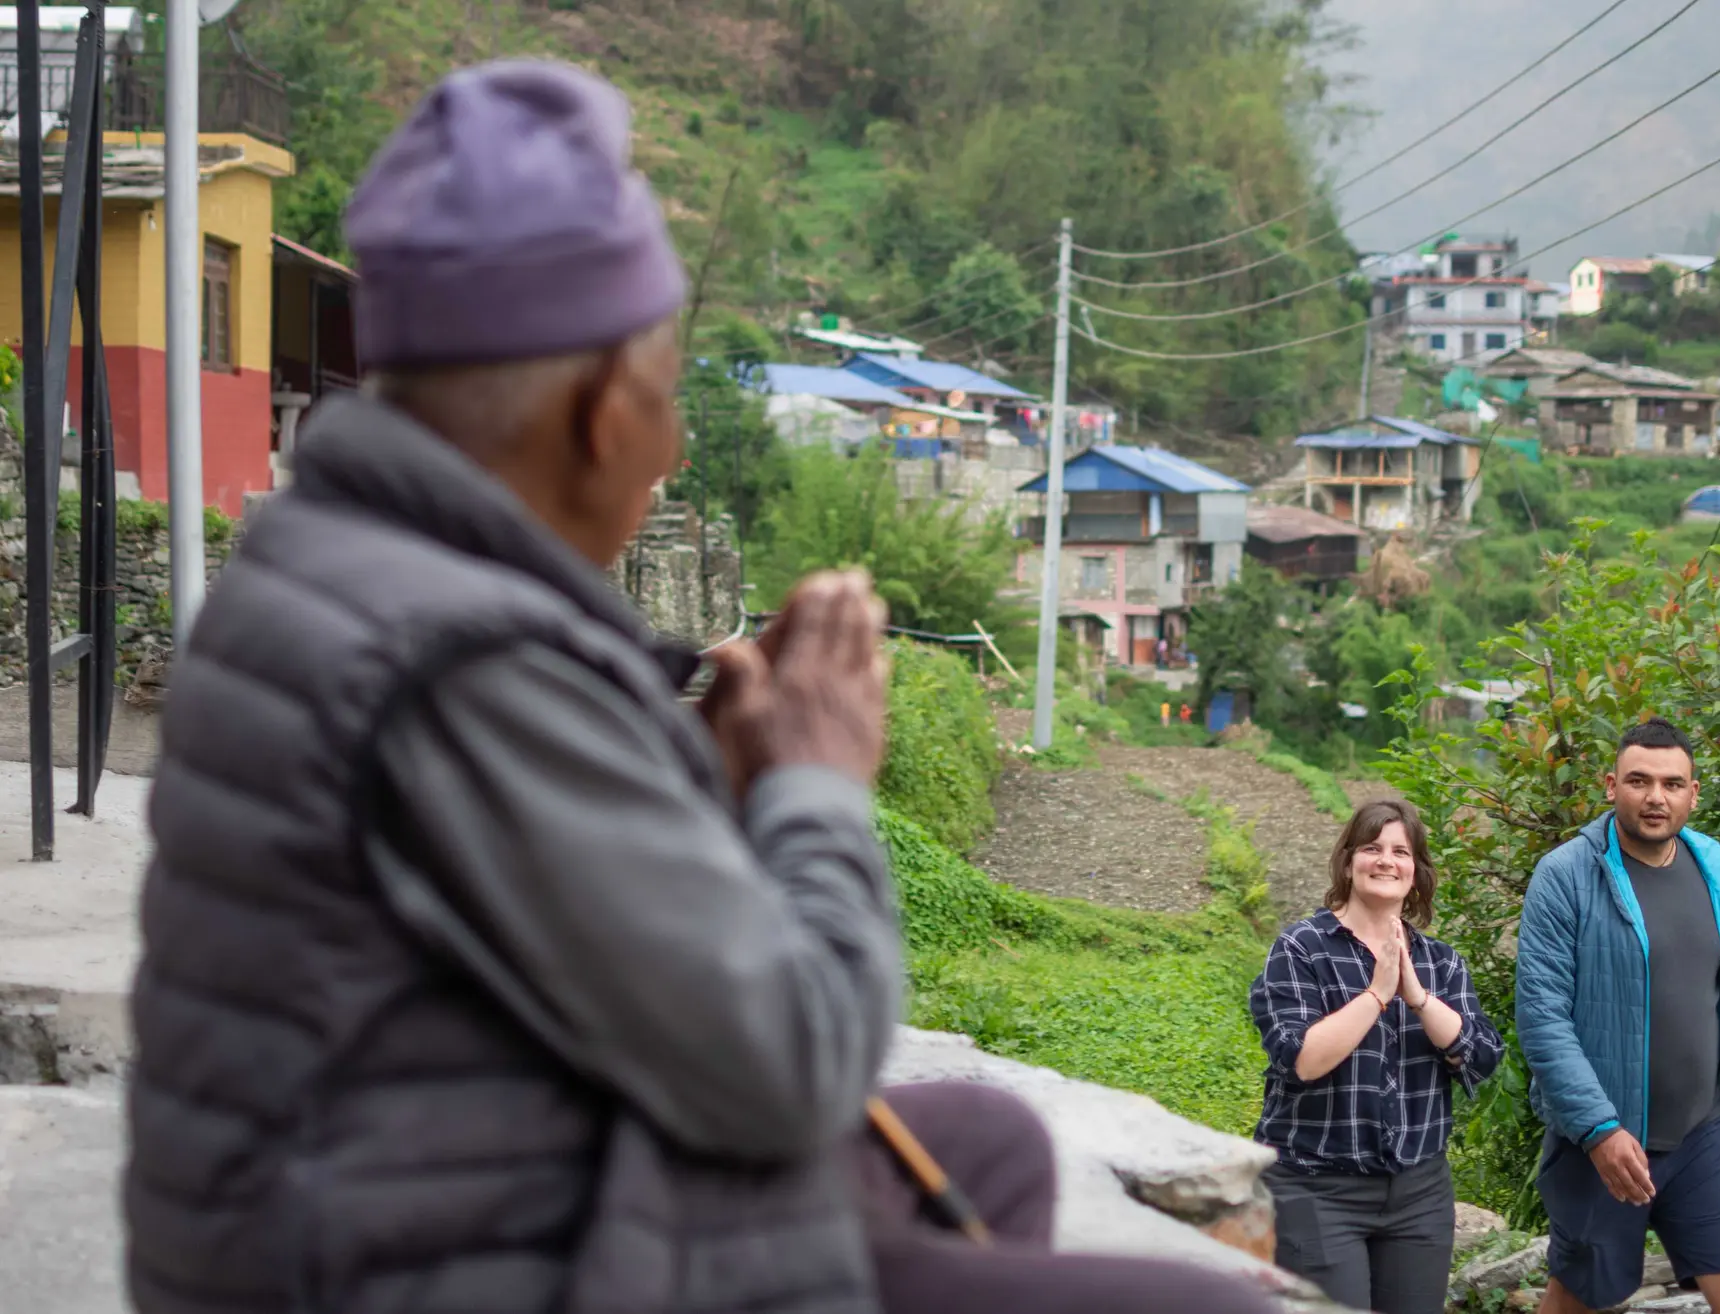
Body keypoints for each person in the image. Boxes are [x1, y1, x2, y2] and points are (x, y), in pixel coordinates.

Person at [123, 59, 1279, 1314]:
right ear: (595, 412)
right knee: (1205, 1307)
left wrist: (707, 780)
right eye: (666, 402)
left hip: (404, 1189)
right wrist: (820, 780)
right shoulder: (461, 660)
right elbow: (797, 1061)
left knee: (985, 1148)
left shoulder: (332, 559)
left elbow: (540, 895)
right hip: (445, 1260)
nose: (671, 451)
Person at [1516, 717, 1720, 1314]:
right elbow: (1543, 1018)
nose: (1656, 797)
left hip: (1706, 1127)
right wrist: (1598, 1129)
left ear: (1693, 794)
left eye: (1673, 784)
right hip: (1606, 1137)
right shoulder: (1566, 876)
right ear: (1610, 785)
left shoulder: (1718, 872)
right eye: (1639, 781)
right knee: (1582, 1300)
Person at [1249, 799, 1504, 1314]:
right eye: (1371, 848)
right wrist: (1376, 992)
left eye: (1400, 852)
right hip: (1317, 1188)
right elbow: (1301, 1059)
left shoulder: (1440, 963)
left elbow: (1480, 1056)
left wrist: (1417, 996)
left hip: (1418, 1192)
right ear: (1348, 863)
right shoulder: (1301, 949)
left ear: (1417, 872)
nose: (1386, 860)